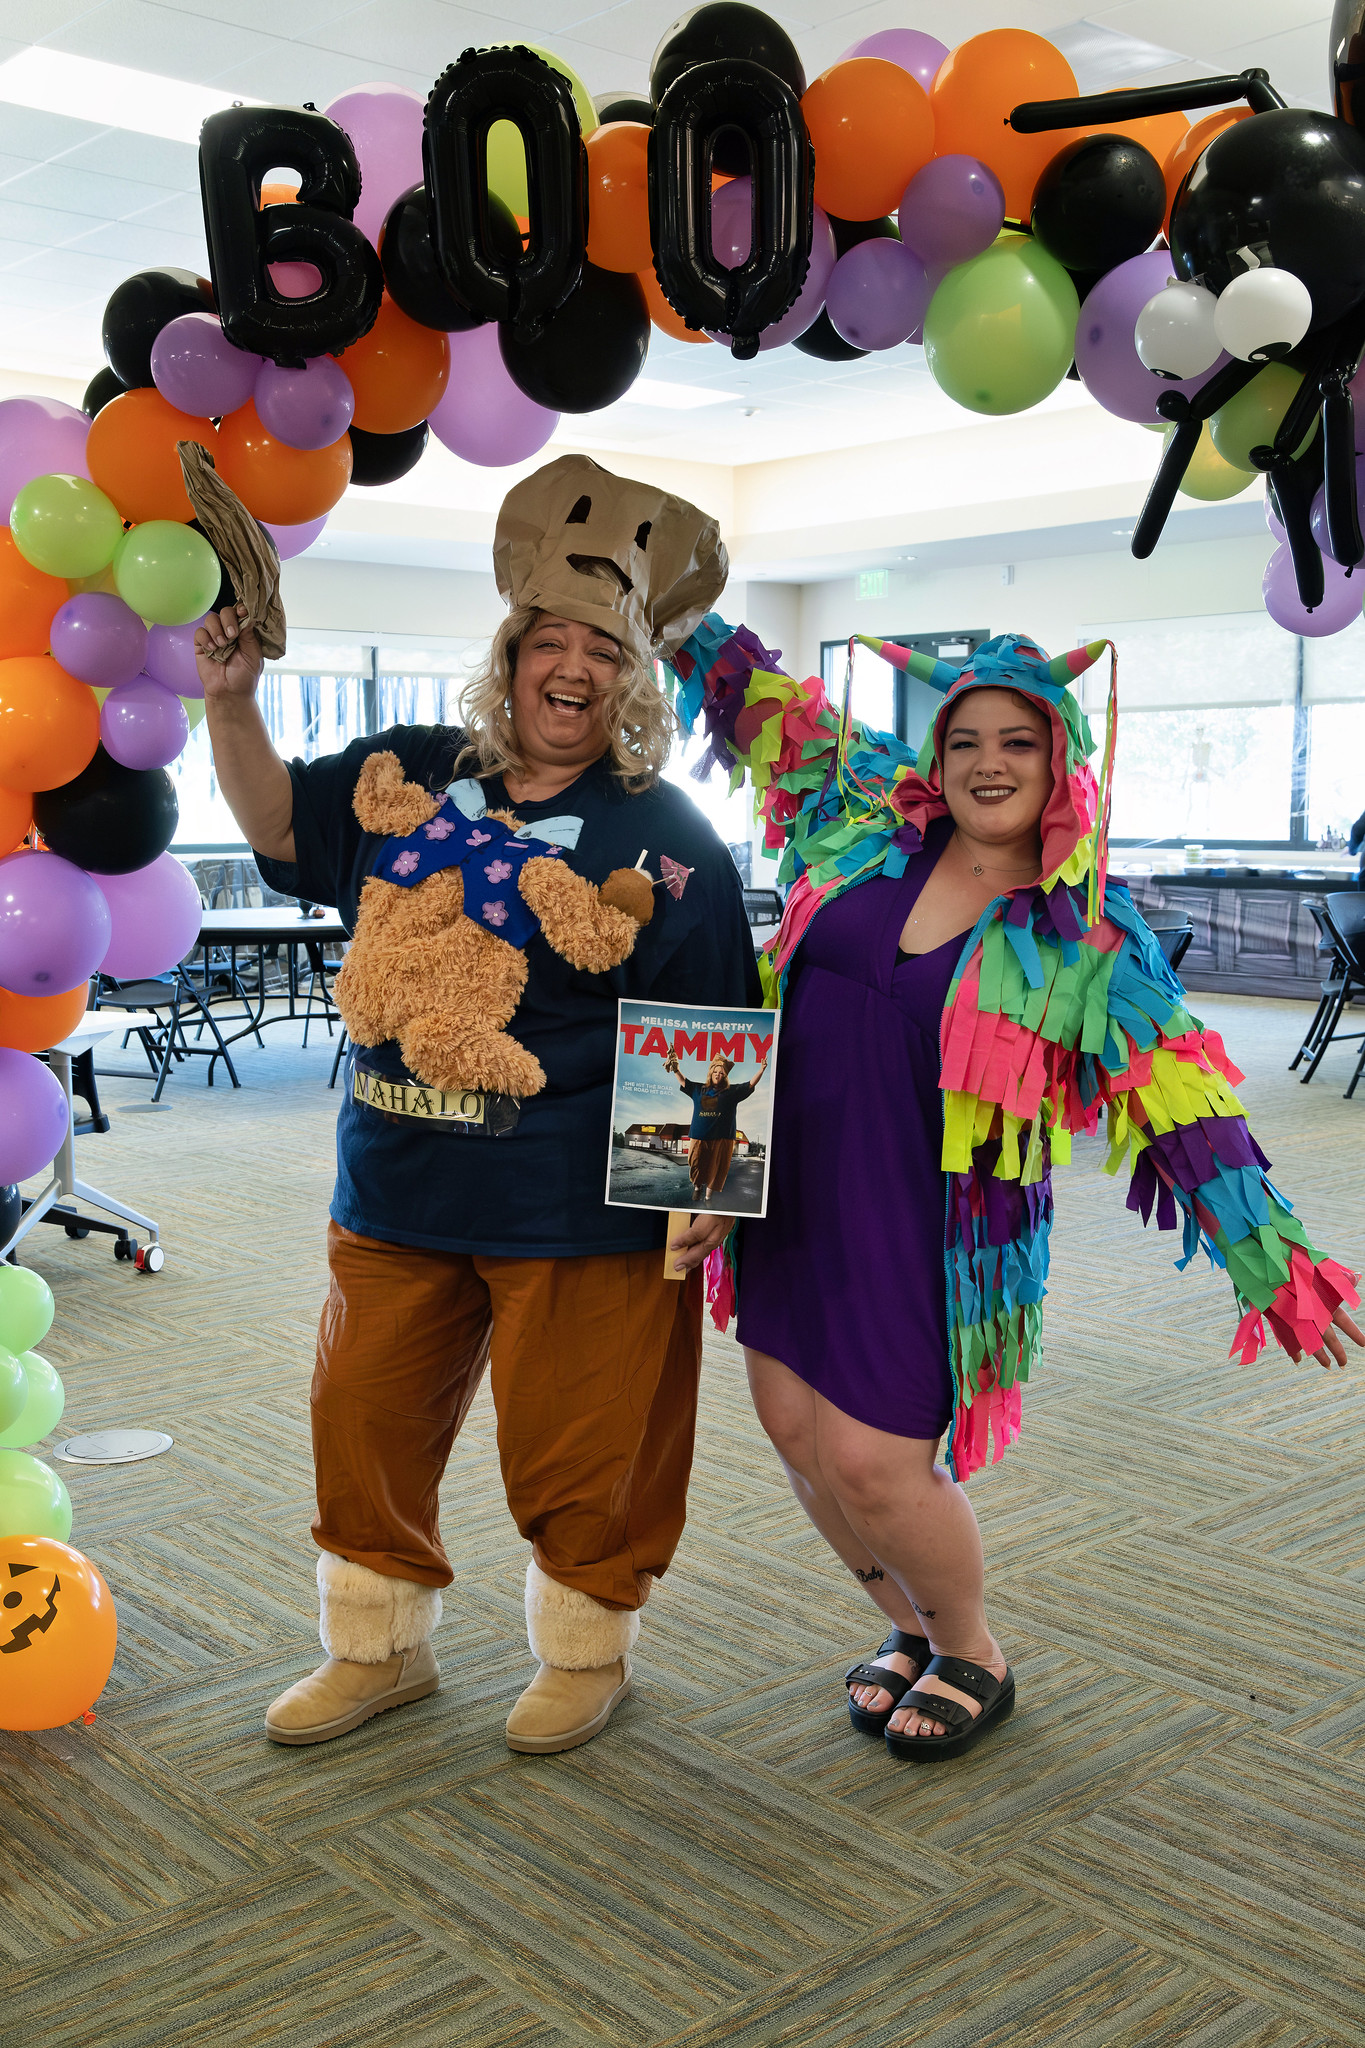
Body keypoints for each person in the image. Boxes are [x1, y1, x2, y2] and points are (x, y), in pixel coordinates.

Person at [666, 619, 1363, 1762]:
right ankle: (908, 1625)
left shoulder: (1086, 934)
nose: (990, 763)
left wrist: (1271, 1257)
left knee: (874, 1462)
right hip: (785, 1194)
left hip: (926, 1228)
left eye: (1019, 743)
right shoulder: (859, 831)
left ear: (1060, 763)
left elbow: (1185, 1103)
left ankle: (974, 1646)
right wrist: (676, 614)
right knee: (793, 1429)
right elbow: (763, 708)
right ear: (935, 759)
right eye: (967, 740)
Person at [195, 454, 759, 1754]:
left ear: (633, 684)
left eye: (601, 652)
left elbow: (713, 1018)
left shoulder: (664, 832)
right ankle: (377, 1648)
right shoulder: (410, 766)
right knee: (366, 1423)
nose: (570, 669)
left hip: (572, 1203)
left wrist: (702, 1197)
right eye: (547, 642)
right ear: (506, 658)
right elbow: (280, 827)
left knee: (587, 1444)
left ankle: (582, 1648)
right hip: (395, 1184)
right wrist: (232, 701)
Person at [664, 1048, 769, 1200]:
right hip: (699, 1135)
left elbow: (750, 1084)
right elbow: (682, 1080)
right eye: (715, 1072)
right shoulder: (698, 1089)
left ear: (725, 1076)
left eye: (721, 1073)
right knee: (695, 1163)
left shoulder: (731, 1091)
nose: (718, 1075)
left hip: (722, 1137)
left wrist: (761, 1070)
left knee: (717, 1167)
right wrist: (675, 1067)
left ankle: (708, 1197)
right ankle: (698, 1186)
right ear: (711, 1073)